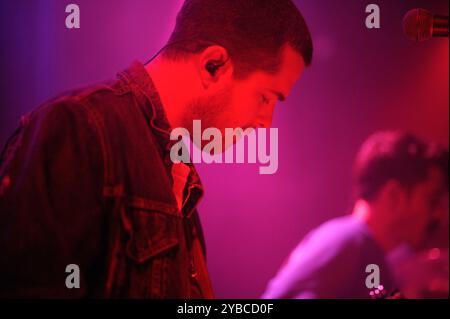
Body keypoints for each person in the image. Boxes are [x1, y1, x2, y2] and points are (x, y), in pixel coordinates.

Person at [0, 0, 313, 298]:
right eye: (267, 97)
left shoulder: (176, 170)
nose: (266, 123)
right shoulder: (78, 125)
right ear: (213, 66)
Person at [262, 131, 449, 299]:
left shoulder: (368, 255)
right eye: (431, 200)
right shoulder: (349, 241)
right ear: (394, 195)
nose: (439, 214)